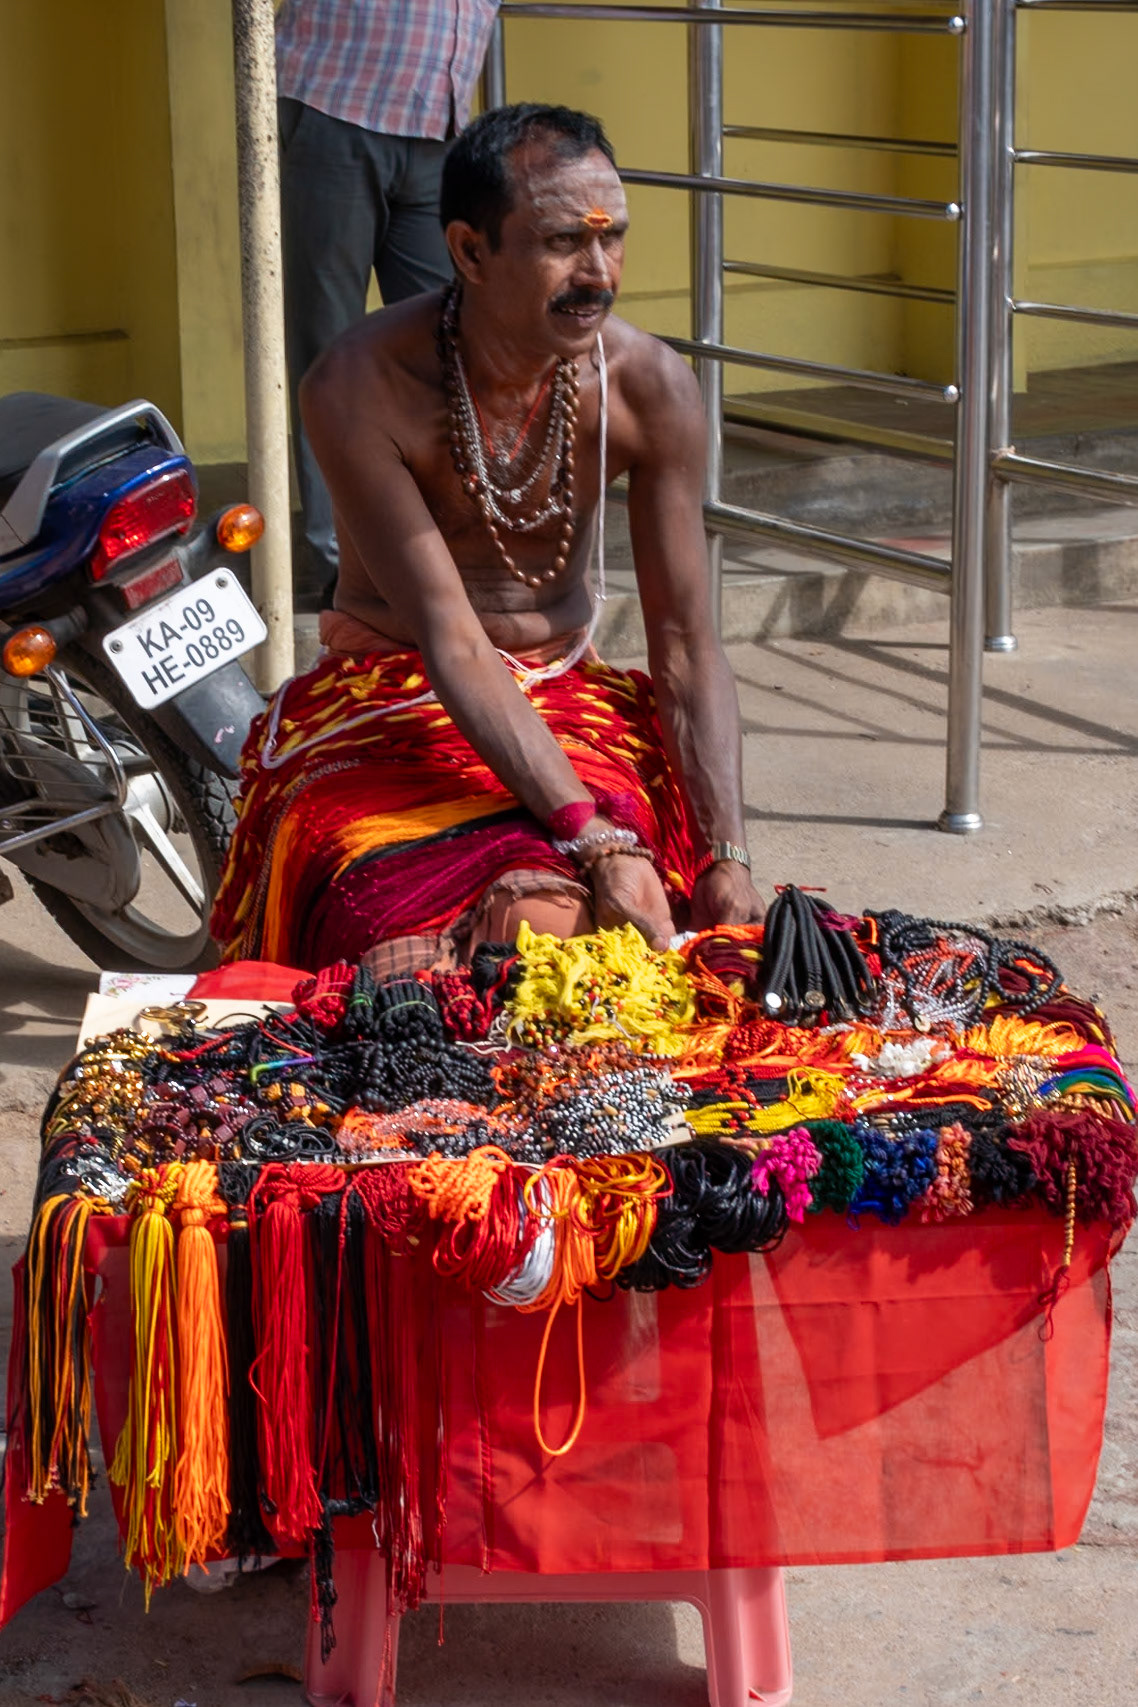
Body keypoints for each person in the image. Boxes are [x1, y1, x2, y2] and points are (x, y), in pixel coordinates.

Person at [211, 104, 764, 974]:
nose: (599, 273)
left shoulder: (651, 386)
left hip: (570, 703)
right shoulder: (360, 384)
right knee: (488, 936)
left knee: (632, 931)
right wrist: (594, 839)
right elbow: (451, 636)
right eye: (560, 244)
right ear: (470, 251)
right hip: (386, 701)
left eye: (612, 237)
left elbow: (688, 646)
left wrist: (728, 853)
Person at [276, 0, 500, 600]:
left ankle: (435, 547)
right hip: (336, 104)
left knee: (447, 345)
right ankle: (334, 562)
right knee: (326, 346)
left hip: (441, 125)